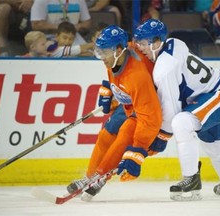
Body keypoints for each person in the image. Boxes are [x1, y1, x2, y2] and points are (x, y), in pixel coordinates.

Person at [134, 19, 220, 201]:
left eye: (143, 43)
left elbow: (171, 112)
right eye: (138, 42)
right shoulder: (174, 42)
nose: (140, 47)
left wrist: (161, 137)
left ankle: (191, 178)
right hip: (212, 93)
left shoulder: (164, 69)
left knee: (181, 122)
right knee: (212, 142)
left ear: (156, 42)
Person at [66, 25, 169, 201]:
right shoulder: (116, 55)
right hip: (131, 102)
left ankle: (100, 176)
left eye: (104, 52)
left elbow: (150, 117)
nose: (101, 57)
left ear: (120, 50)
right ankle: (90, 176)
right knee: (106, 134)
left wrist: (138, 150)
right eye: (99, 52)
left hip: (149, 106)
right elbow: (119, 74)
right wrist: (111, 90)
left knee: (125, 135)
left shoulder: (138, 76)